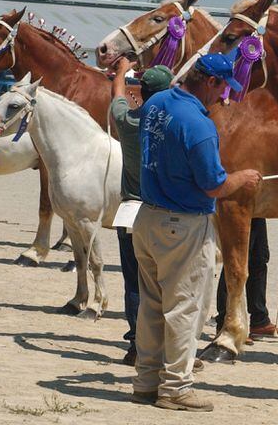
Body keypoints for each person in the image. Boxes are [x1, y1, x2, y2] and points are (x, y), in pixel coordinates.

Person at [132, 53, 262, 412]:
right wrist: (243, 179)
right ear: (209, 82)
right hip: (183, 225)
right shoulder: (201, 126)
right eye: (223, 88)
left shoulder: (156, 102)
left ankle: (146, 381)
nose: (224, 97)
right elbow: (213, 186)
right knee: (185, 309)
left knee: (152, 307)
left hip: (147, 218)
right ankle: (175, 388)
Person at [110, 58, 174, 366]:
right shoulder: (174, 126)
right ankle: (164, 345)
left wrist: (121, 73)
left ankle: (137, 344)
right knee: (165, 282)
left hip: (130, 209)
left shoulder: (127, 121)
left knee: (133, 282)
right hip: (162, 211)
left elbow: (117, 100)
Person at [216, 218, 278, 342]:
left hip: (258, 207)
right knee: (237, 261)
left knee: (259, 257)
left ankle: (259, 319)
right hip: (241, 206)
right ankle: (225, 323)